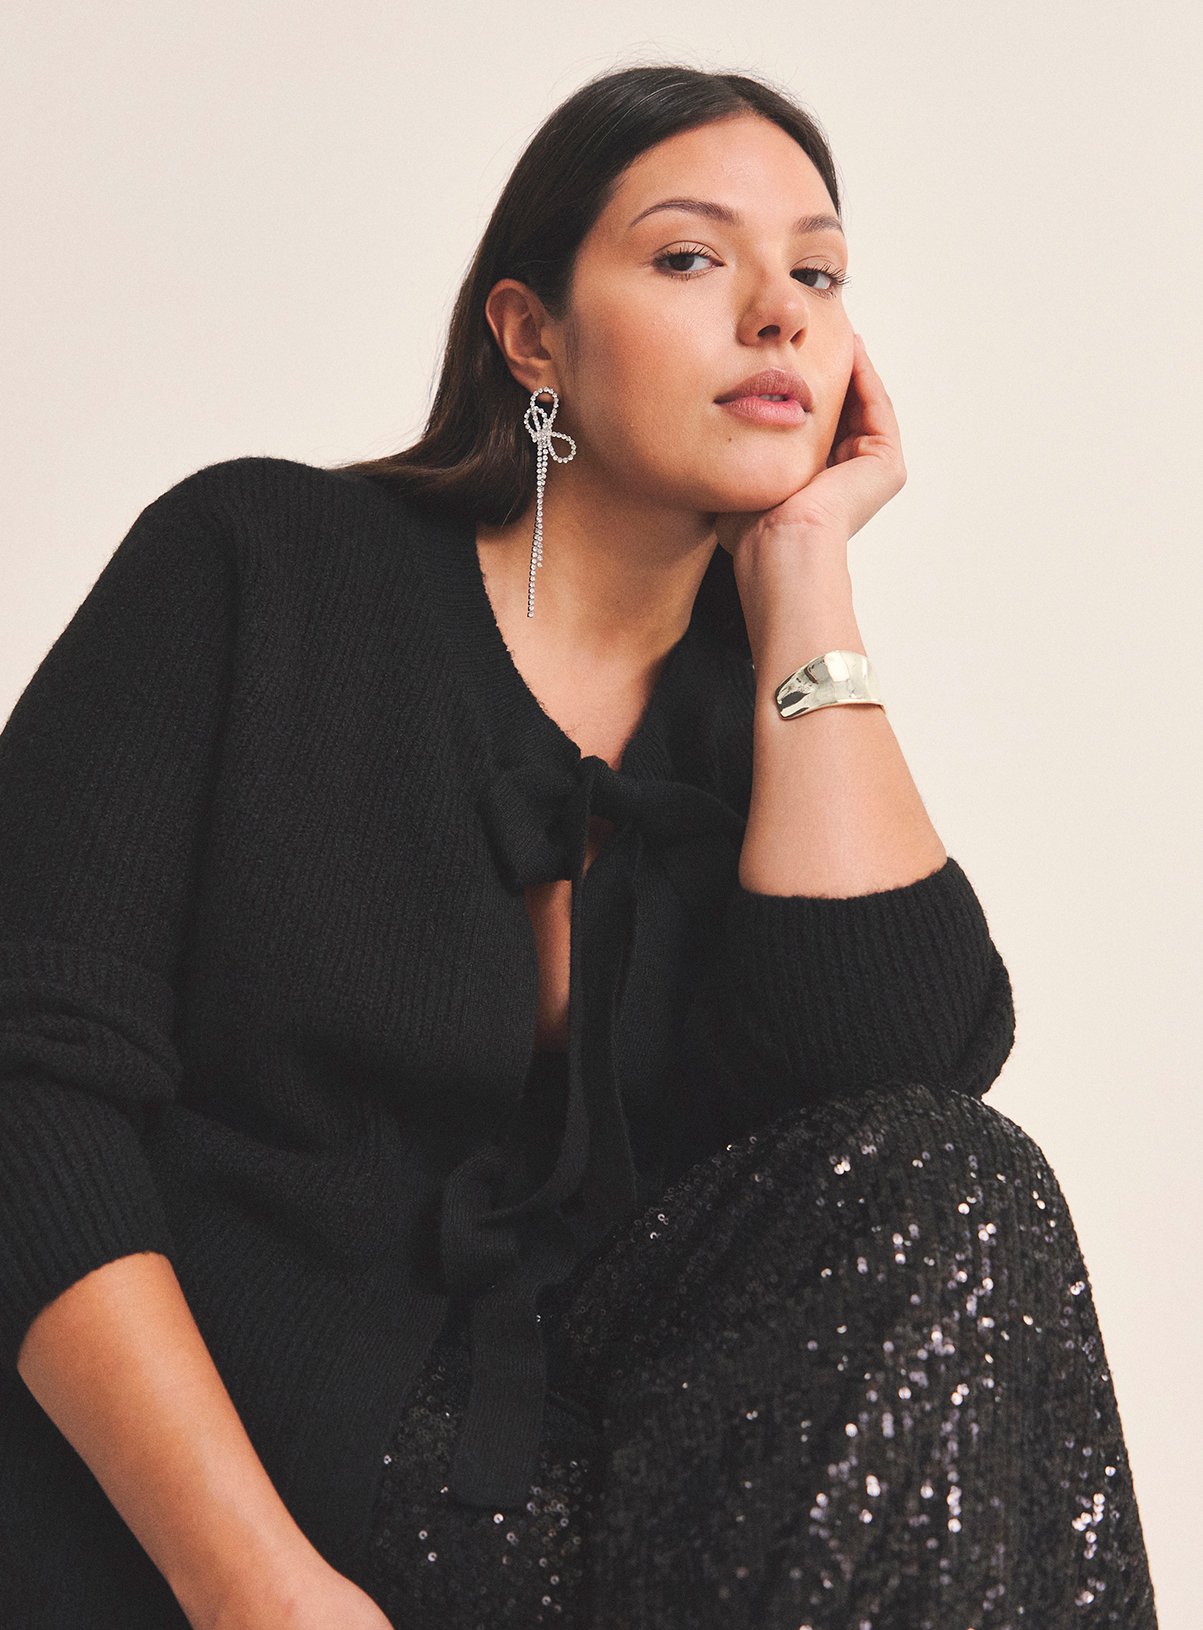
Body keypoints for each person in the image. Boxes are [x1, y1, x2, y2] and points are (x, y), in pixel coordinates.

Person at [0, 61, 1158, 1630]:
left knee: (962, 1174)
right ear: (530, 335)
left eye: (819, 274)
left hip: (637, 1508)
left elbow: (901, 1112)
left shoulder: (768, 737)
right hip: (235, 1488)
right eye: (691, 256)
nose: (780, 313)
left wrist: (805, 570)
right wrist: (252, 1583)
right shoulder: (258, 569)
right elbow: (31, 1095)